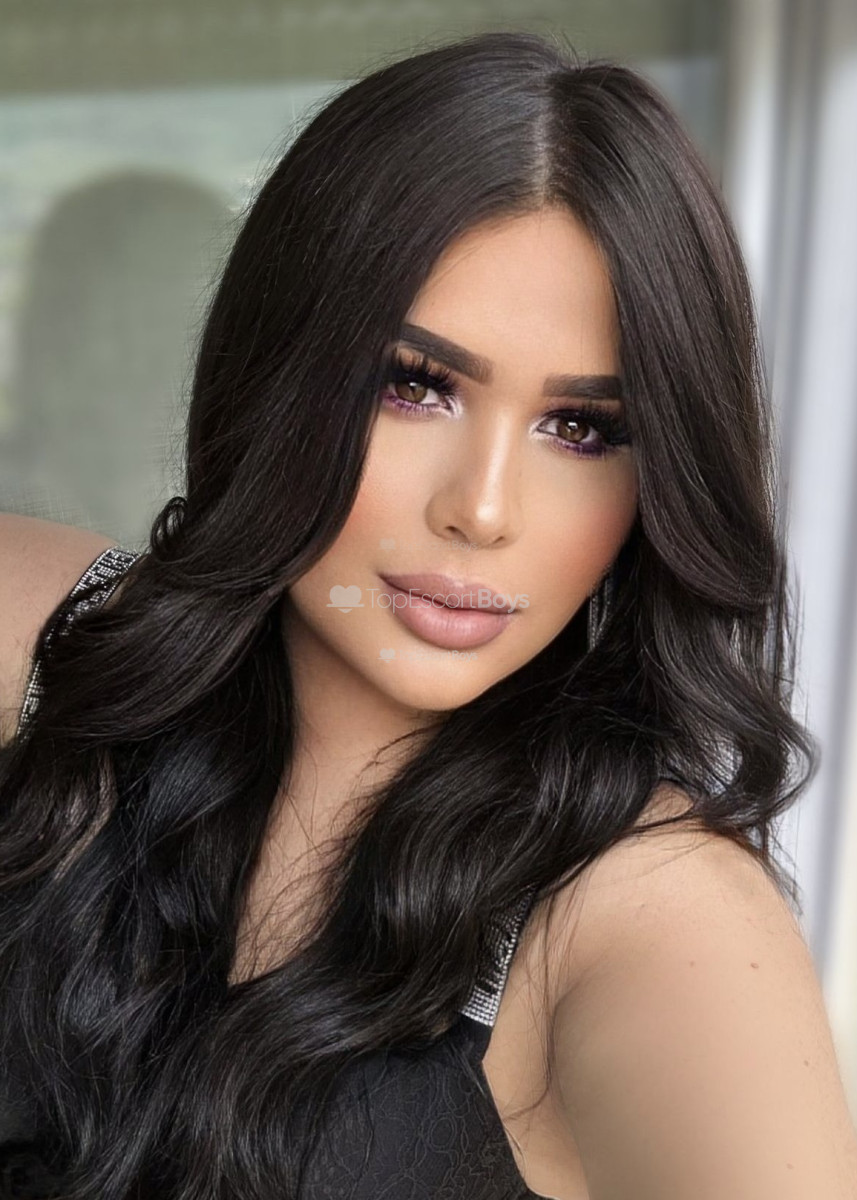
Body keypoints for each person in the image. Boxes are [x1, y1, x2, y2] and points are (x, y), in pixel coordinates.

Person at [1, 28, 855, 1200]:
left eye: (581, 429)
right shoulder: (45, 636)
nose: (482, 511)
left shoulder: (649, 916)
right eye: (415, 385)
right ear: (278, 371)